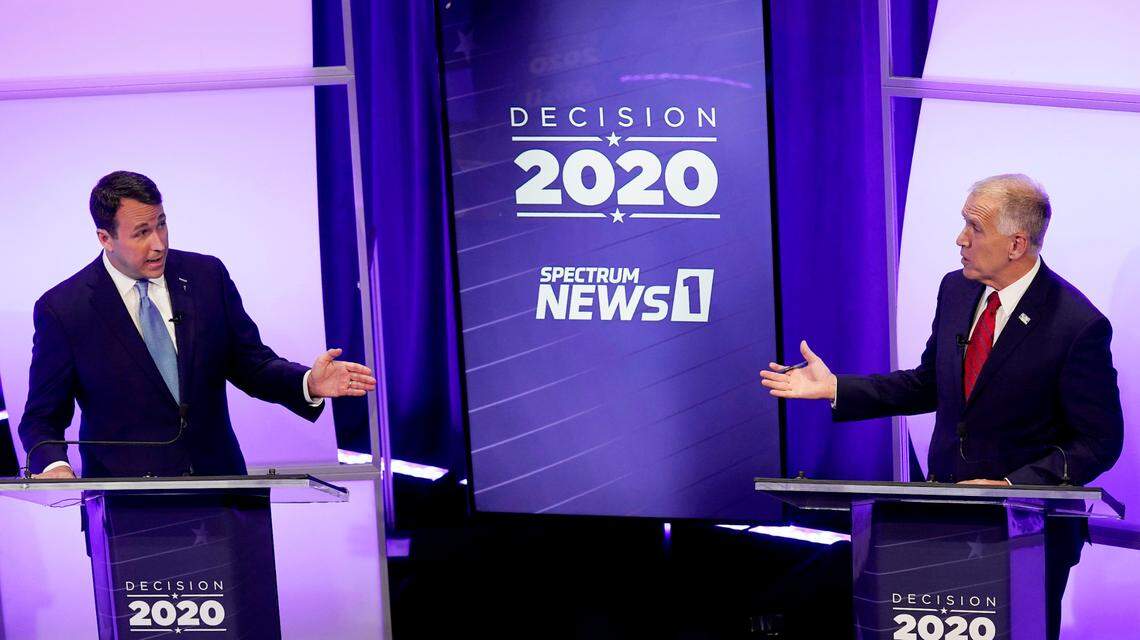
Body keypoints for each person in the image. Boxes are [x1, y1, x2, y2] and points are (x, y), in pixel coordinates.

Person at [760, 174, 1123, 640]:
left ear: (1016, 244)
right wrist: (837, 389)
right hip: (940, 524)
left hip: (1027, 537)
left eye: (974, 227)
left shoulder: (1077, 324)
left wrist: (1013, 486)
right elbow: (930, 384)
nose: (961, 238)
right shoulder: (957, 290)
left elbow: (1099, 441)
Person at [18, 170, 377, 479]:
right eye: (141, 232)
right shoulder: (65, 309)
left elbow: (252, 365)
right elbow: (41, 418)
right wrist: (55, 467)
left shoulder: (207, 277)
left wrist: (308, 382)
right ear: (105, 238)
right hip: (128, 511)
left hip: (222, 496)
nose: (158, 243)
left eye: (161, 224)